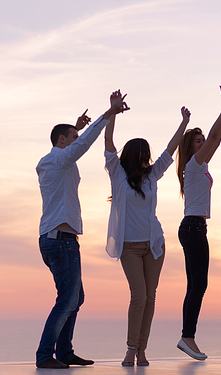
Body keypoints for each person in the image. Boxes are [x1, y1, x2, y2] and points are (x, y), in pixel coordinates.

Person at [35, 92, 129, 369]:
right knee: (67, 299)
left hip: (59, 240)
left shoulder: (55, 161)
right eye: (71, 138)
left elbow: (74, 145)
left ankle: (64, 352)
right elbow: (82, 145)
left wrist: (77, 127)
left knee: (75, 297)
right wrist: (108, 113)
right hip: (60, 241)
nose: (76, 142)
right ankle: (45, 355)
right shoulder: (56, 160)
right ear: (61, 141)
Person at [104, 91, 191, 367]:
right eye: (143, 156)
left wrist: (184, 123)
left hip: (154, 245)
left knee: (150, 297)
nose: (148, 160)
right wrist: (112, 112)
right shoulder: (117, 173)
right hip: (129, 246)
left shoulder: (152, 175)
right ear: (133, 156)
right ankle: (131, 348)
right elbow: (108, 143)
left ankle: (142, 350)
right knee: (139, 296)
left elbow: (170, 150)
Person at [176, 86, 221, 360]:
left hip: (194, 227)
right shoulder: (194, 163)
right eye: (197, 141)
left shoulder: (199, 165)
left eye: (201, 141)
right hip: (193, 228)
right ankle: (187, 337)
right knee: (199, 284)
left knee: (196, 284)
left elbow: (216, 139)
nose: (203, 143)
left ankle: (188, 336)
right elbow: (214, 138)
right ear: (191, 146)